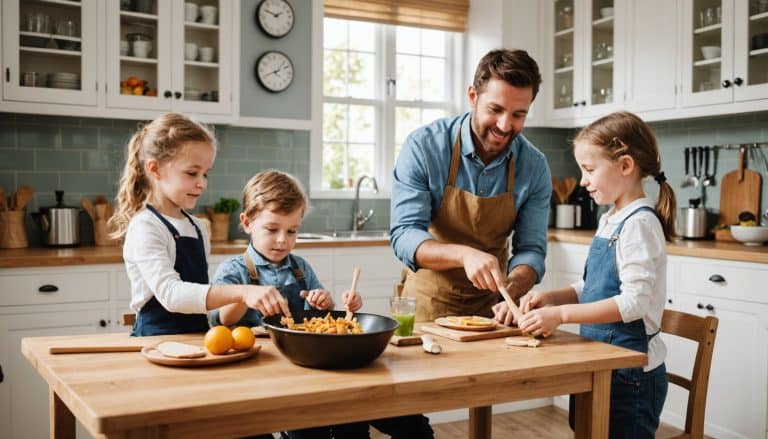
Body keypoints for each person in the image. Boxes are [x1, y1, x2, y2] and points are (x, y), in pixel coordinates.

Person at [516, 111, 675, 438]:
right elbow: (593, 286)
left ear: (625, 166)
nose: (583, 181)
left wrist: (559, 315)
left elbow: (632, 304)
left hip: (630, 375)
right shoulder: (611, 219)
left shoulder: (640, 224)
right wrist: (551, 297)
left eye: (589, 170)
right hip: (599, 361)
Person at [390, 49, 551, 322]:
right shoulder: (425, 147)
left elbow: (530, 250)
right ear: (473, 97)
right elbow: (405, 235)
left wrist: (514, 285)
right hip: (427, 307)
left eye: (518, 115)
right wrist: (465, 255)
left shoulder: (534, 166)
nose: (504, 125)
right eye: (495, 110)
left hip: (493, 312)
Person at [208, 170, 368, 439]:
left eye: (292, 231)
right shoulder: (234, 270)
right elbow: (221, 320)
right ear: (247, 223)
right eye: (272, 229)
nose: (283, 240)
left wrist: (323, 303)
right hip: (253, 372)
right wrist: (246, 295)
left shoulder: (300, 269)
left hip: (301, 369)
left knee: (338, 423)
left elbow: (319, 318)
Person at [110, 113, 291, 338]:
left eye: (206, 174)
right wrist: (242, 291)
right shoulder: (146, 226)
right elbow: (171, 295)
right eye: (192, 173)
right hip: (155, 341)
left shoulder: (197, 226)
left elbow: (201, 296)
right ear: (155, 169)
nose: (201, 183)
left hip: (198, 338)